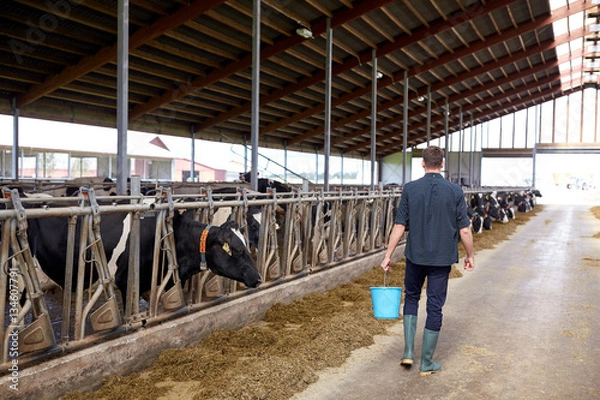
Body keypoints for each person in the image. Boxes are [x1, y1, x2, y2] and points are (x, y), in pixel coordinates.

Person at [380, 145, 475, 376]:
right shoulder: (455, 192)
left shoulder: (410, 189)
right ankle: (426, 362)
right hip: (441, 260)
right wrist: (470, 255)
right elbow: (464, 230)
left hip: (416, 256)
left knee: (411, 297)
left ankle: (408, 352)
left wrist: (387, 255)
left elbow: (399, 226)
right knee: (435, 306)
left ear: (422, 163)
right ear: (442, 164)